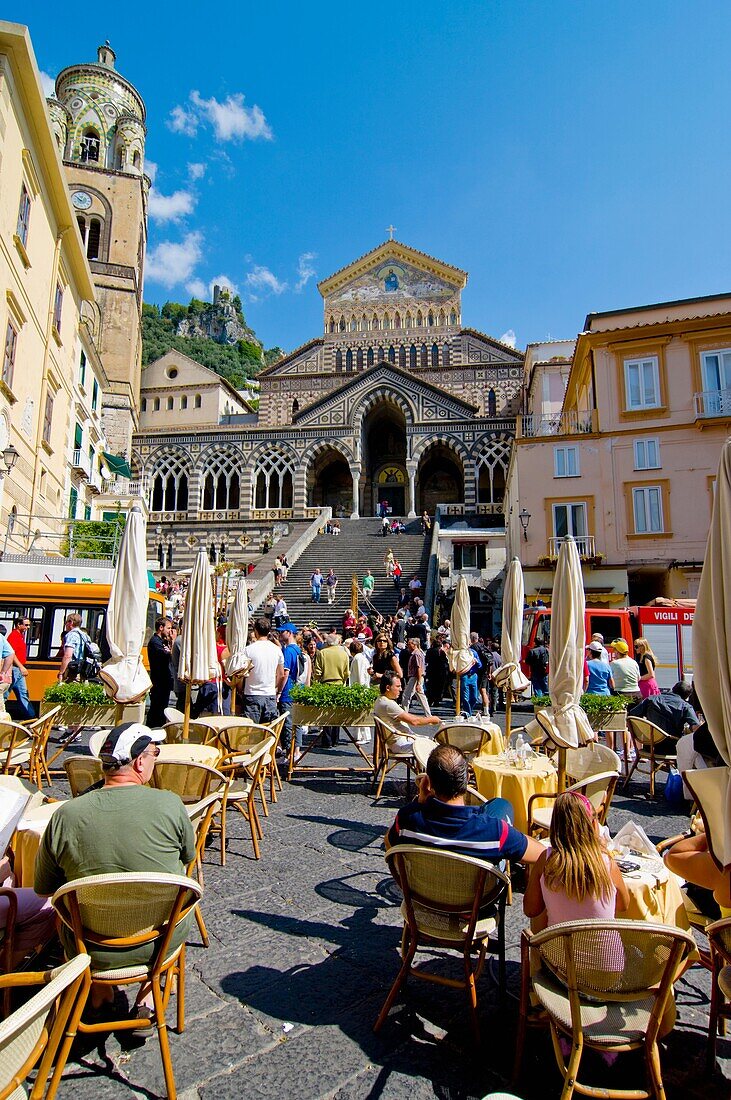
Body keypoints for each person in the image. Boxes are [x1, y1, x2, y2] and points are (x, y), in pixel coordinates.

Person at [35, 722, 195, 1019]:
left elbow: (44, 888)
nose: (156, 758)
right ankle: (149, 995)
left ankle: (100, 992)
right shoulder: (170, 805)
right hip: (159, 940)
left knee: (63, 915)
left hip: (91, 948)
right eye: (154, 753)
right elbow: (189, 856)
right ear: (139, 761)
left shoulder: (66, 815)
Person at [386, 744, 543, 867]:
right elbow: (542, 855)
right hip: (477, 902)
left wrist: (420, 802)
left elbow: (389, 845)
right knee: (501, 805)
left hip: (423, 898)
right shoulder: (494, 830)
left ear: (428, 783)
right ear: (467, 778)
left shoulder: (407, 818)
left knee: (497, 808)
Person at [524, 791, 629, 930]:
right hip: (606, 951)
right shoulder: (607, 862)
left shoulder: (545, 860)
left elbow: (531, 910)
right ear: (592, 825)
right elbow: (623, 905)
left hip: (559, 950)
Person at [374, 670, 441, 750]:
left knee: (432, 743)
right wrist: (432, 719)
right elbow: (414, 722)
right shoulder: (388, 704)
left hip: (400, 740)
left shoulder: (381, 700)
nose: (401, 689)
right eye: (398, 686)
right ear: (388, 688)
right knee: (436, 748)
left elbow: (409, 717)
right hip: (401, 742)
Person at [240, 617, 287, 724]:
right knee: (268, 733)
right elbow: (281, 675)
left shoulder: (248, 650)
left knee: (250, 732)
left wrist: (240, 689)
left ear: (255, 630)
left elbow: (242, 674)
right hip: (269, 694)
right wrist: (277, 690)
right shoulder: (277, 650)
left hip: (251, 694)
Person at [313, 634, 350, 747]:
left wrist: (316, 683)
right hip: (339, 684)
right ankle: (335, 739)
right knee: (337, 713)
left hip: (326, 684)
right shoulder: (344, 654)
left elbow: (318, 672)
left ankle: (327, 740)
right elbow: (346, 673)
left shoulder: (322, 653)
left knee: (326, 714)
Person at [629, 680, 699, 739]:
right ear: (687, 696)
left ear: (673, 689)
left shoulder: (651, 699)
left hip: (650, 745)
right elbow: (696, 727)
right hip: (673, 747)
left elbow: (632, 715)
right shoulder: (685, 706)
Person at [276, 623, 301, 761]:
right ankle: (295, 752)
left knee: (288, 724)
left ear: (289, 633)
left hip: (288, 691)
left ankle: (289, 755)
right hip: (297, 689)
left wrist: (279, 691)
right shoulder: (298, 649)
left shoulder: (288, 651)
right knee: (296, 723)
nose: (279, 634)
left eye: (282, 632)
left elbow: (285, 673)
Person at [146, 616, 174, 727]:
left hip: (164, 682)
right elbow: (165, 655)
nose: (170, 631)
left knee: (161, 709)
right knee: (156, 709)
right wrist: (170, 650)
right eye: (168, 628)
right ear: (161, 628)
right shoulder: (155, 642)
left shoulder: (162, 641)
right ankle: (152, 731)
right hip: (159, 682)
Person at [7, 616, 34, 719]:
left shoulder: (20, 636)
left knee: (23, 694)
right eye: (26, 625)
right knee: (5, 694)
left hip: (17, 670)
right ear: (19, 625)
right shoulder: (14, 636)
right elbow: (11, 654)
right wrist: (21, 667)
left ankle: (31, 717)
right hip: (14, 669)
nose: (28, 627)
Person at [402, 637, 431, 716]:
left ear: (414, 645)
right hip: (417, 677)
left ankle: (404, 714)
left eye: (409, 644)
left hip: (415, 677)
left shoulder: (416, 654)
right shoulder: (418, 653)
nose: (407, 646)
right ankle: (428, 714)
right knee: (421, 696)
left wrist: (418, 682)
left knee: (406, 696)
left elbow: (419, 668)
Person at [607, 638, 641, 704]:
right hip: (636, 694)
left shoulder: (614, 663)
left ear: (617, 652)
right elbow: (638, 678)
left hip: (620, 694)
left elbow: (610, 681)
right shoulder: (634, 662)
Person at [425, 636, 449, 708]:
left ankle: (430, 700)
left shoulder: (429, 651)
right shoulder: (441, 651)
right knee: (439, 686)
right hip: (440, 671)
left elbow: (427, 660)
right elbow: (444, 660)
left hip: (431, 670)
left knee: (431, 686)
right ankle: (437, 700)